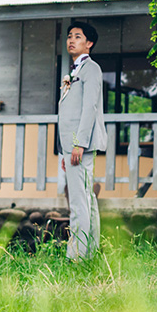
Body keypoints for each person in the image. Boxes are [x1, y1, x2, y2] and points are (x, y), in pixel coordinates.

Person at [58, 20, 108, 259]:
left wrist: (78, 143)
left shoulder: (91, 69)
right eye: (69, 36)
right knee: (86, 198)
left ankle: (77, 256)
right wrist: (64, 151)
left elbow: (90, 108)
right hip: (71, 146)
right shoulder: (74, 71)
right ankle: (90, 251)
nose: (71, 40)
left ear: (89, 43)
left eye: (77, 36)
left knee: (80, 201)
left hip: (80, 145)